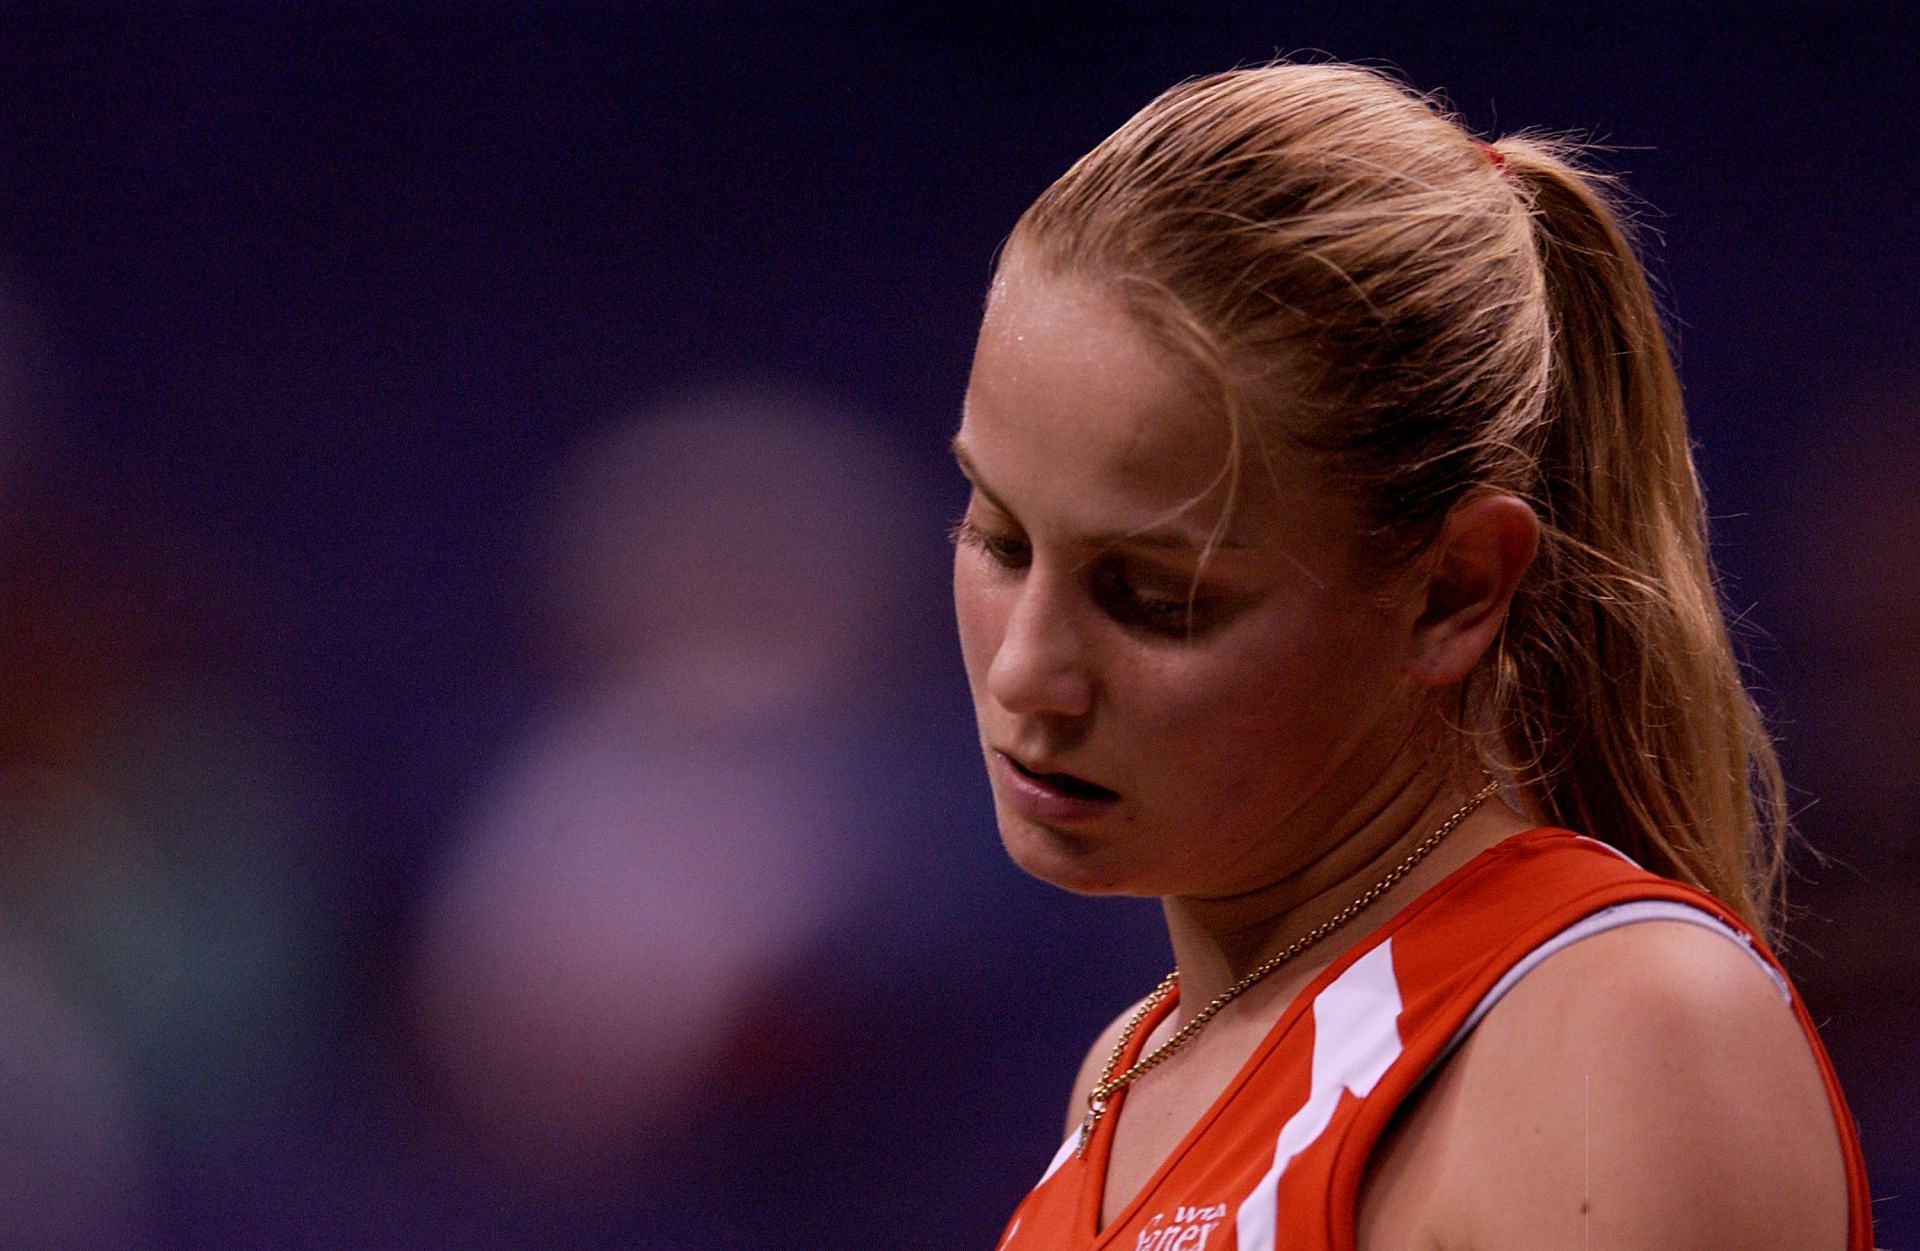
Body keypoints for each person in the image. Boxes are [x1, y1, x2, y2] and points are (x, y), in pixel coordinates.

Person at [951, 63, 1873, 1250]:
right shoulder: (1127, 1079)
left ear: (1454, 591)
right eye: (998, 536)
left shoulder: (1621, 1031)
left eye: (1155, 598)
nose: (1028, 672)